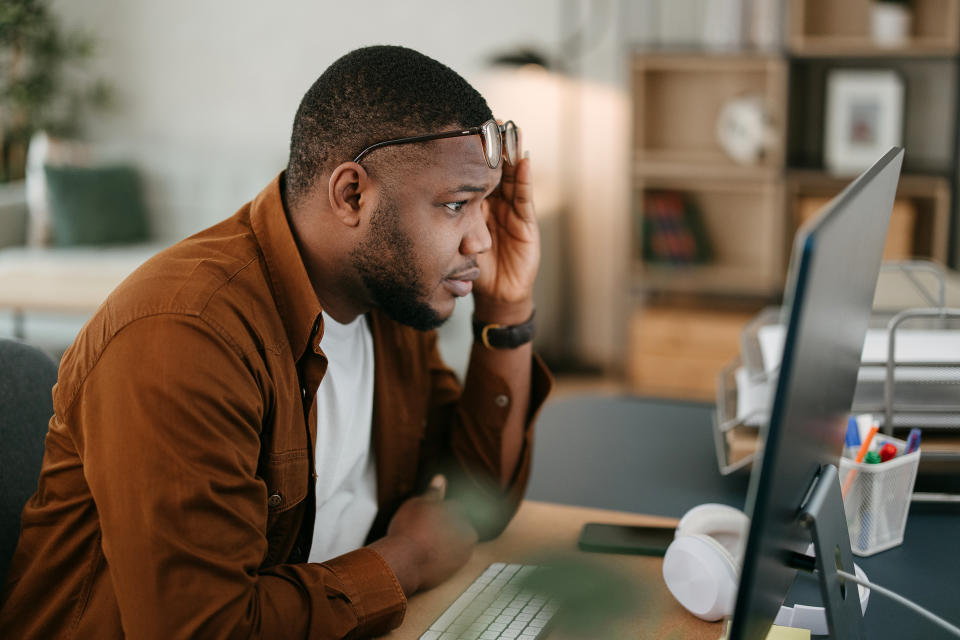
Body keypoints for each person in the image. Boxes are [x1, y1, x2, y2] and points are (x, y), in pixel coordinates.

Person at [0, 45, 552, 639]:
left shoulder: (389, 302)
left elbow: (477, 503)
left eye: (485, 205)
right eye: (455, 205)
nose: (482, 240)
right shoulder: (184, 336)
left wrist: (507, 310)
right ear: (352, 196)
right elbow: (202, 629)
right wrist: (405, 560)